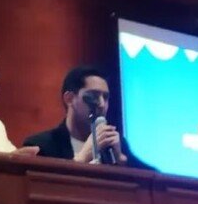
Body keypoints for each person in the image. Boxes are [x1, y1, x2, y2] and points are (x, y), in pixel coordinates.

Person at [22, 65, 153, 169]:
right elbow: (45, 189)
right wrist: (82, 158)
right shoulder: (42, 146)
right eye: (93, 96)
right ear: (69, 99)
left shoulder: (117, 145)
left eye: (105, 97)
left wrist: (121, 160)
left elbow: (155, 180)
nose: (102, 104)